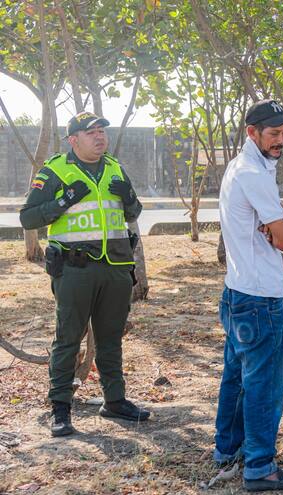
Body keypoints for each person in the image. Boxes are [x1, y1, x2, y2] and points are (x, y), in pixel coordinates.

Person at [19, 111, 149, 437]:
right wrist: (63, 199)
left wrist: (129, 197)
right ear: (73, 139)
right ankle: (60, 409)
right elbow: (28, 218)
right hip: (75, 270)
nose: (100, 136)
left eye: (102, 130)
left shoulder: (115, 168)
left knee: (110, 338)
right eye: (91, 132)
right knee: (67, 339)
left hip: (116, 267)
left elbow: (133, 212)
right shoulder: (55, 171)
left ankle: (115, 401)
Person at [213, 100, 283, 491]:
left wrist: (276, 221)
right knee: (265, 384)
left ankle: (228, 450)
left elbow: (276, 226)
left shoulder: (241, 167)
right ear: (252, 132)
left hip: (237, 290)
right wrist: (280, 223)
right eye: (273, 134)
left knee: (236, 378)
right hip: (259, 297)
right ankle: (260, 467)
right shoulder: (253, 173)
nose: (280, 141)